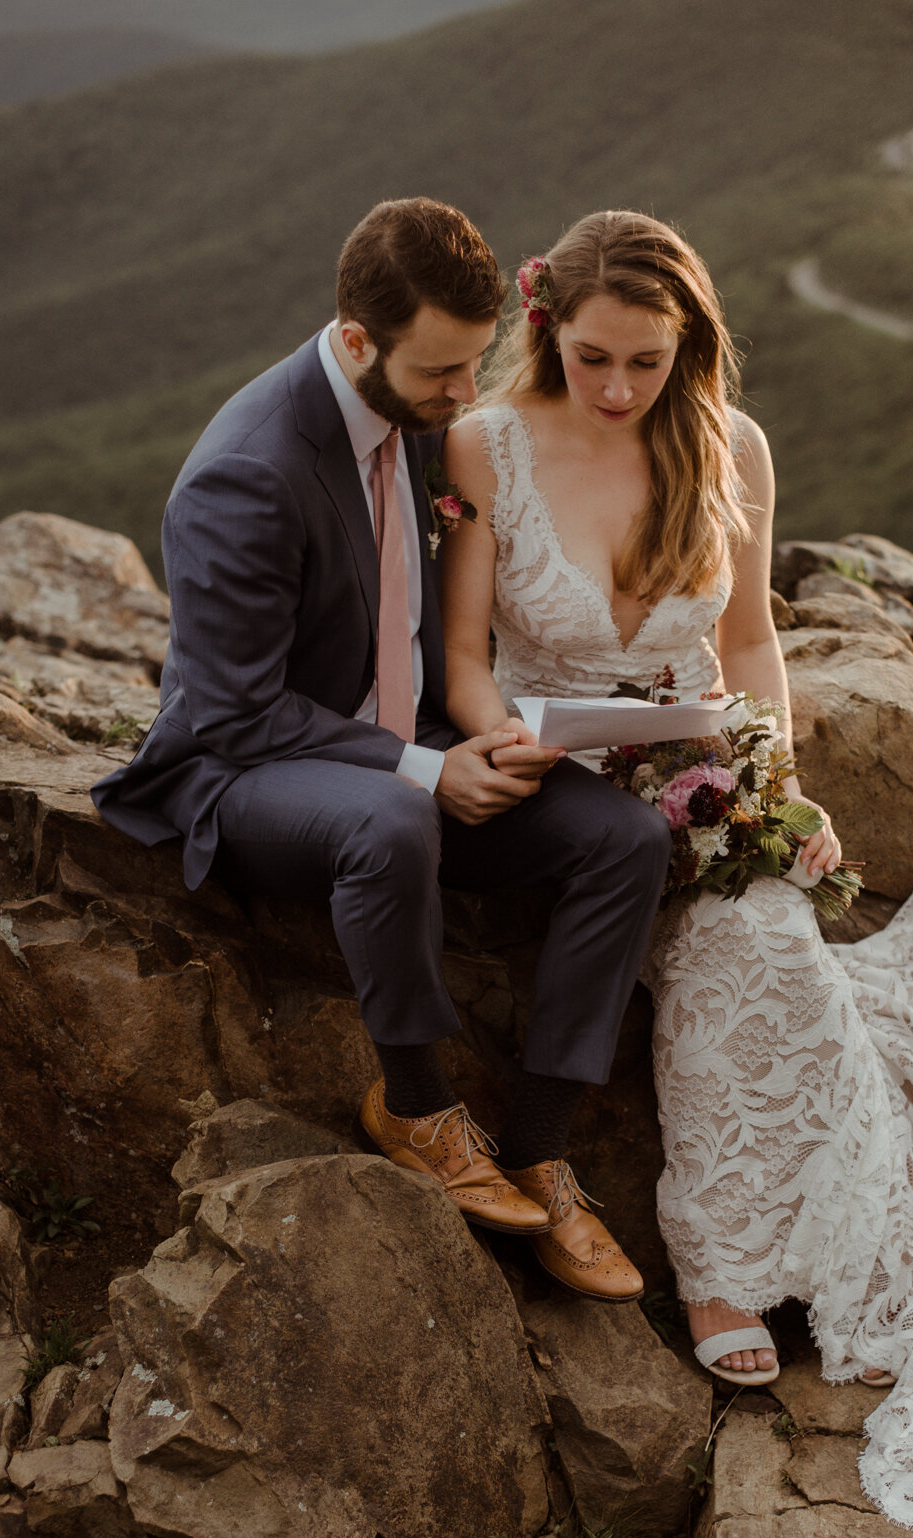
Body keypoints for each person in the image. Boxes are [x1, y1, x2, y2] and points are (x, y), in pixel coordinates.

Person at [441, 207, 913, 1538]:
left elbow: (750, 645)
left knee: (755, 930)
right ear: (545, 331)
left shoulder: (727, 447)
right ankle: (728, 1272)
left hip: (689, 760)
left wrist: (765, 780)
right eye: (593, 358)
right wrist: (505, 738)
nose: (615, 389)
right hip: (547, 774)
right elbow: (463, 655)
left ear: (687, 347)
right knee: (701, 914)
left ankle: (737, 1272)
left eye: (645, 364)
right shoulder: (483, 446)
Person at [91, 197, 672, 1304]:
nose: (464, 400)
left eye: (475, 367)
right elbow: (231, 711)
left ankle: (542, 1150)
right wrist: (422, 768)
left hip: (417, 737)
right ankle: (414, 1105)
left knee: (626, 839)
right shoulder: (246, 473)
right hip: (250, 777)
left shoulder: (413, 419)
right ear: (358, 340)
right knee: (397, 813)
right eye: (442, 374)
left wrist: (491, 733)